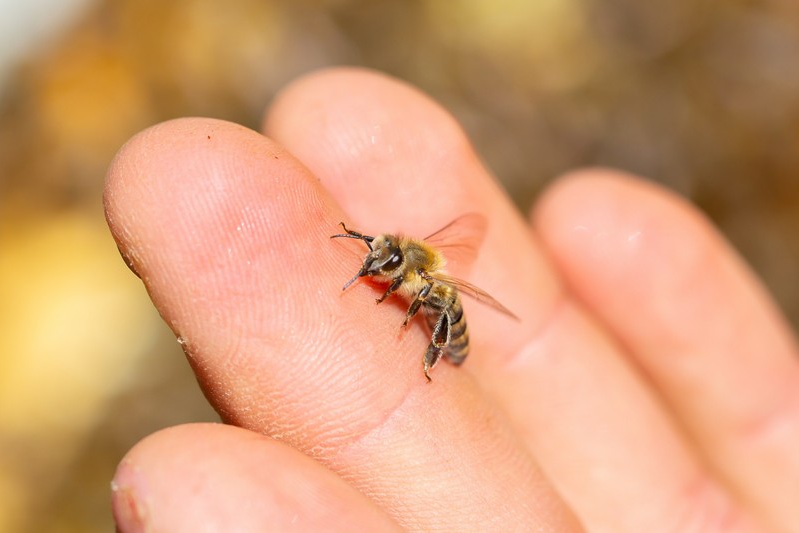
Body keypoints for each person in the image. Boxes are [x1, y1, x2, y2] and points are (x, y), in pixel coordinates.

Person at [104, 68, 799, 532]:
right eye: (373, 257)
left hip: (448, 318)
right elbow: (387, 249)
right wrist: (353, 240)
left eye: (380, 261)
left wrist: (419, 328)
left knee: (439, 306)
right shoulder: (397, 250)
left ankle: (439, 355)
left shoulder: (423, 284)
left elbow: (428, 290)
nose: (376, 265)